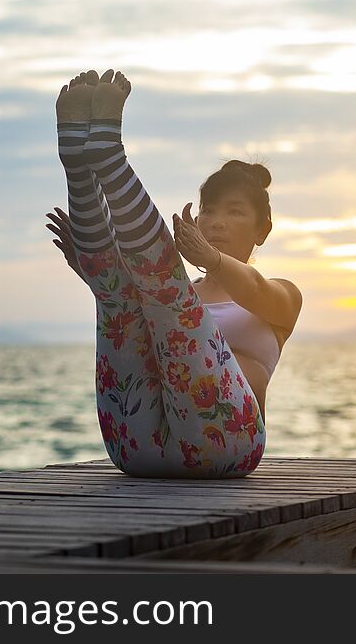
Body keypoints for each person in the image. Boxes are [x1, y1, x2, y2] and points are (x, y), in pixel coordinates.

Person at [45, 69, 302, 478]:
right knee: (120, 296)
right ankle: (79, 166)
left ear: (262, 230)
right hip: (136, 450)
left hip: (227, 447)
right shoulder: (169, 289)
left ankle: (108, 158)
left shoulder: (282, 295)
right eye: (209, 211)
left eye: (234, 212)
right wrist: (96, 271)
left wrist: (213, 261)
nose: (216, 222)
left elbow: (249, 286)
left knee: (165, 291)